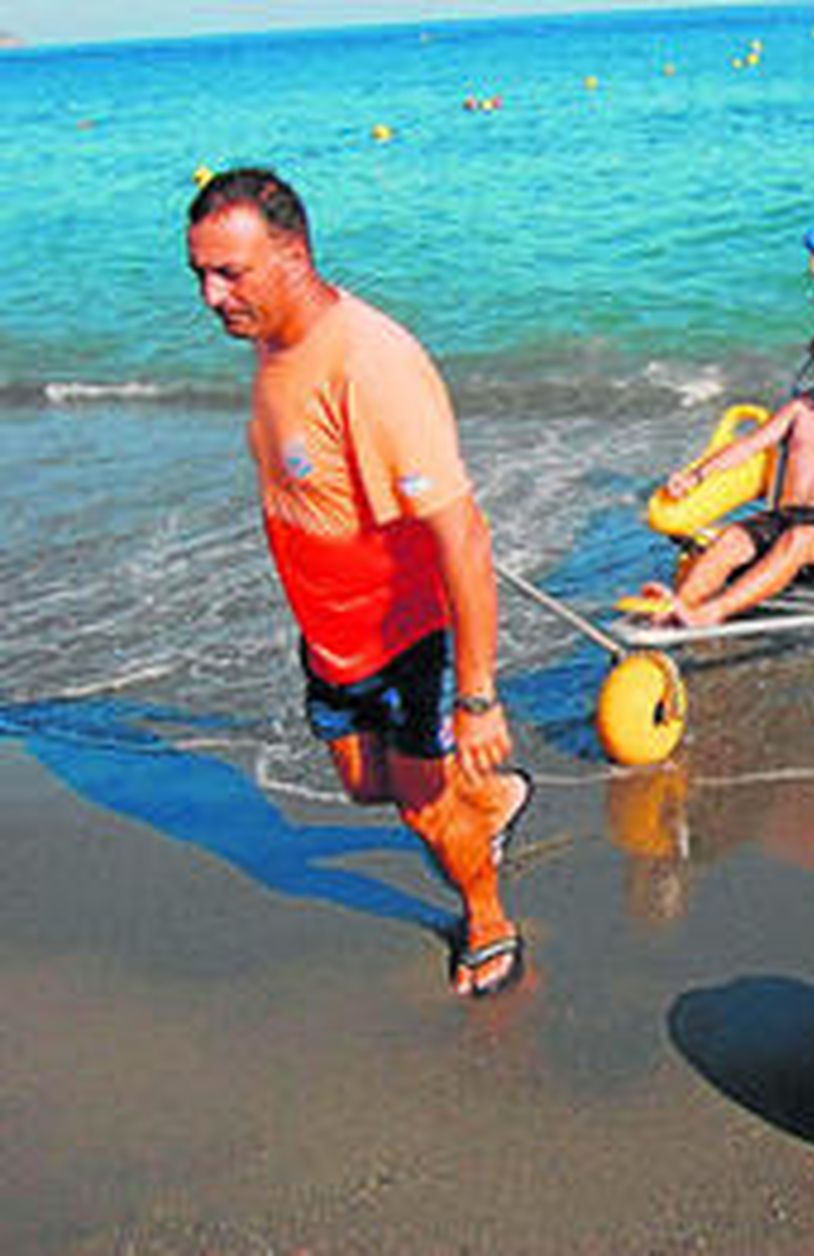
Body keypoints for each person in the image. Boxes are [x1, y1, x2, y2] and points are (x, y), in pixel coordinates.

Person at [186, 168, 533, 998]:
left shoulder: (369, 364)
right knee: (363, 783)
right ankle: (488, 805)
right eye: (200, 272)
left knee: (417, 804)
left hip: (404, 633)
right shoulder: (276, 337)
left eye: (229, 273)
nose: (210, 296)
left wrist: (476, 695)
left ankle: (487, 917)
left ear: (293, 255)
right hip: (332, 635)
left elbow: (464, 535)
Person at [640, 326, 814, 628]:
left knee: (797, 540)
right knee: (731, 538)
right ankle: (678, 606)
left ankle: (713, 612)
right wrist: (695, 477)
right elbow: (748, 446)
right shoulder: (801, 409)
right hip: (783, 516)